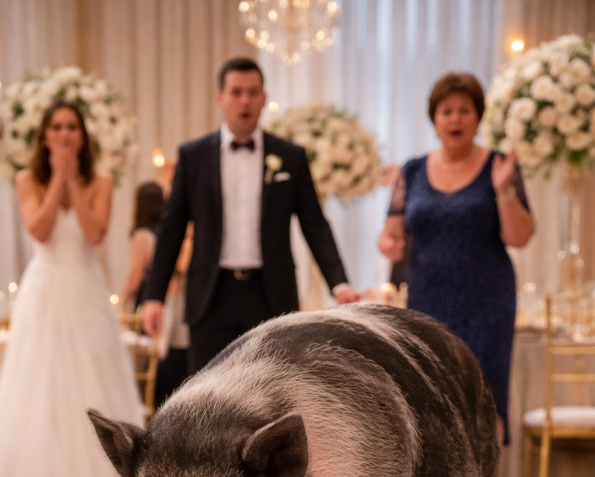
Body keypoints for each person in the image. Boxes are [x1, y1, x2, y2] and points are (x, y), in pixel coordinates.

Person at [0, 99, 145, 477]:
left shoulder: (102, 180)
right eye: (56, 126)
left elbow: (93, 234)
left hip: (86, 290)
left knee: (92, 382)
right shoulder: (26, 180)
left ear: (82, 134)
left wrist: (74, 181)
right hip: (46, 290)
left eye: (72, 126)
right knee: (39, 385)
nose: (65, 133)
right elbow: (40, 228)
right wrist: (57, 178)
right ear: (45, 135)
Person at [142, 55, 358, 375]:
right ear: (221, 99)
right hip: (211, 297)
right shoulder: (193, 156)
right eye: (236, 92)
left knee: (274, 392)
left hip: (269, 295)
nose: (245, 101)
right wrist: (154, 296)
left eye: (252, 92)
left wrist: (339, 283)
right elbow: (172, 228)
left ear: (263, 99)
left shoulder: (290, 157)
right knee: (206, 398)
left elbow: (315, 225)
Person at [378, 71, 535, 441]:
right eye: (446, 111)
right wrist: (389, 244)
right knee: (431, 401)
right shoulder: (412, 171)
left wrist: (503, 192)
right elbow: (390, 234)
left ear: (478, 117)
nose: (455, 118)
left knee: (485, 401)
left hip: (486, 301)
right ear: (434, 120)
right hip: (427, 300)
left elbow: (520, 236)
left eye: (464, 110)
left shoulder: (499, 166)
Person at [120, 180, 164, 309]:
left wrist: (124, 299)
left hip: (146, 296)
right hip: (163, 293)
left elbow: (136, 272)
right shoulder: (163, 233)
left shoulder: (142, 235)